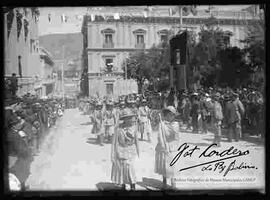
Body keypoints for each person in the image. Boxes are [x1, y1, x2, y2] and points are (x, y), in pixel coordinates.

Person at [111, 109, 140, 190]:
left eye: (131, 117)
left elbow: (136, 141)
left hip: (131, 151)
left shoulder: (134, 128)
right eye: (129, 118)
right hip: (120, 151)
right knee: (122, 169)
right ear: (125, 119)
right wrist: (112, 155)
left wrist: (138, 152)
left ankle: (132, 186)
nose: (131, 119)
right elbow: (114, 142)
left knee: (130, 168)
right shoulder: (118, 128)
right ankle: (123, 185)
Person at [155, 106, 179, 189]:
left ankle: (173, 184)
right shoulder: (161, 124)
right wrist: (163, 146)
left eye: (172, 115)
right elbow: (160, 136)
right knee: (163, 165)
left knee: (172, 166)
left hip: (172, 147)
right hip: (162, 147)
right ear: (166, 115)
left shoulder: (176, 124)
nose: (170, 117)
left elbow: (176, 137)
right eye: (168, 115)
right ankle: (164, 183)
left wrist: (171, 145)